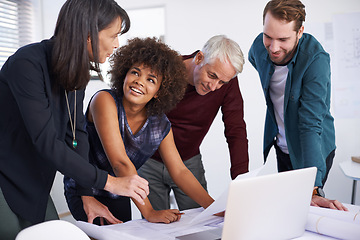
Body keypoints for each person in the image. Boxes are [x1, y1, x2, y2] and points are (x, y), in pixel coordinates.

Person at [0, 0, 149, 237]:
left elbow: (76, 134)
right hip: (5, 175)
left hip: (33, 179)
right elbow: (46, 142)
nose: (116, 44)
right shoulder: (26, 64)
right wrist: (110, 182)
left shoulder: (76, 71)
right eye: (113, 35)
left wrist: (85, 193)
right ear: (88, 34)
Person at [64, 37, 215, 225]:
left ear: (160, 90)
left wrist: (215, 208)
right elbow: (120, 163)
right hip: (85, 189)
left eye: (151, 79)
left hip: (119, 192)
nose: (139, 82)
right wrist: (149, 212)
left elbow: (180, 171)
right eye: (135, 73)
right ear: (124, 74)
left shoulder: (160, 124)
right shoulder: (104, 101)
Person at [248, 0, 347, 210]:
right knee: (288, 207)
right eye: (268, 36)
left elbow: (310, 124)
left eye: (283, 39)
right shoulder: (259, 47)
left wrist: (313, 189)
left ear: (300, 31)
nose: (273, 48)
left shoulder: (316, 60)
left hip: (312, 148)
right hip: (282, 145)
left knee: (306, 206)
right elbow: (254, 58)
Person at [138, 35, 249, 211]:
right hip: (149, 161)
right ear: (199, 58)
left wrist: (242, 182)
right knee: (156, 228)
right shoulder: (165, 70)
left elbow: (236, 131)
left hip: (189, 162)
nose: (214, 87)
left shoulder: (227, 82)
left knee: (201, 222)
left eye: (222, 82)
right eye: (211, 76)